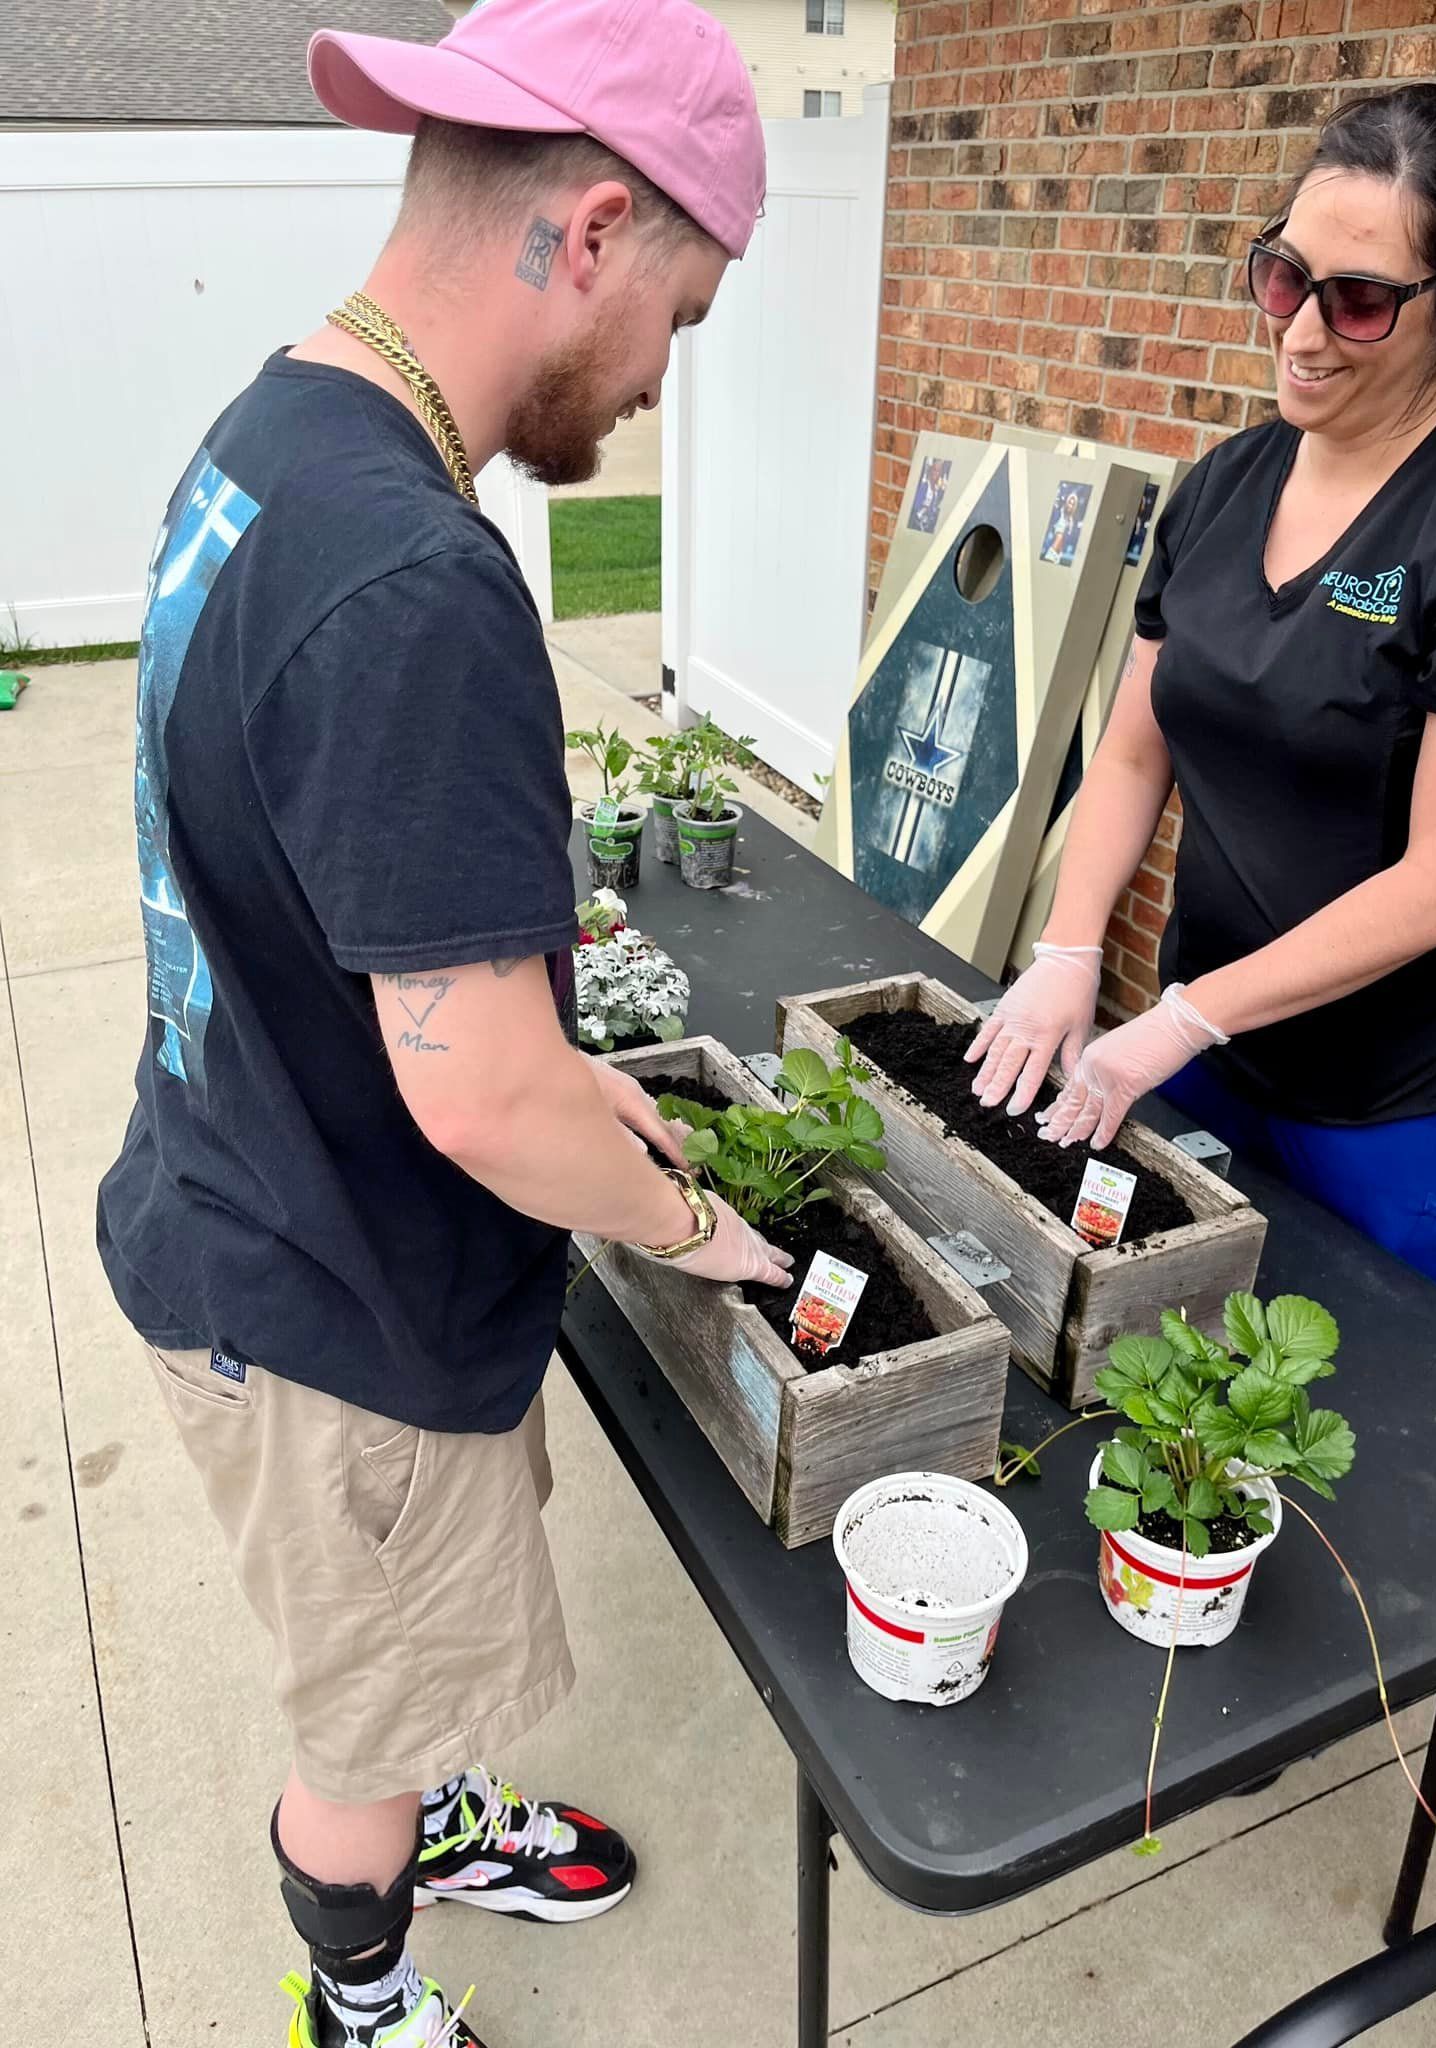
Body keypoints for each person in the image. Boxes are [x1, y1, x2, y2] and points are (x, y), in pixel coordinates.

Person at [95, 4, 788, 2044]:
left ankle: (441, 1811)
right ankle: (367, 1997)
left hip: (246, 1183)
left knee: (408, 1667)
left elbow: (303, 829)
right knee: (364, 1716)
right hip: (331, 1302)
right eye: (683, 307)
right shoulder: (413, 570)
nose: (662, 380)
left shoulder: (279, 430)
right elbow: (482, 1091)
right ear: (588, 235)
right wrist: (692, 1227)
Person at [969, 82, 1436, 1309]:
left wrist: (1180, 1022)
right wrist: (1071, 949)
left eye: (1361, 300)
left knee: (1341, 1427)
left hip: (1402, 1099)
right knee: (1149, 1366)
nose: (1303, 331)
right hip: (1208, 1039)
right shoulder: (1226, 485)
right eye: (1285, 276)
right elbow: (1133, 751)